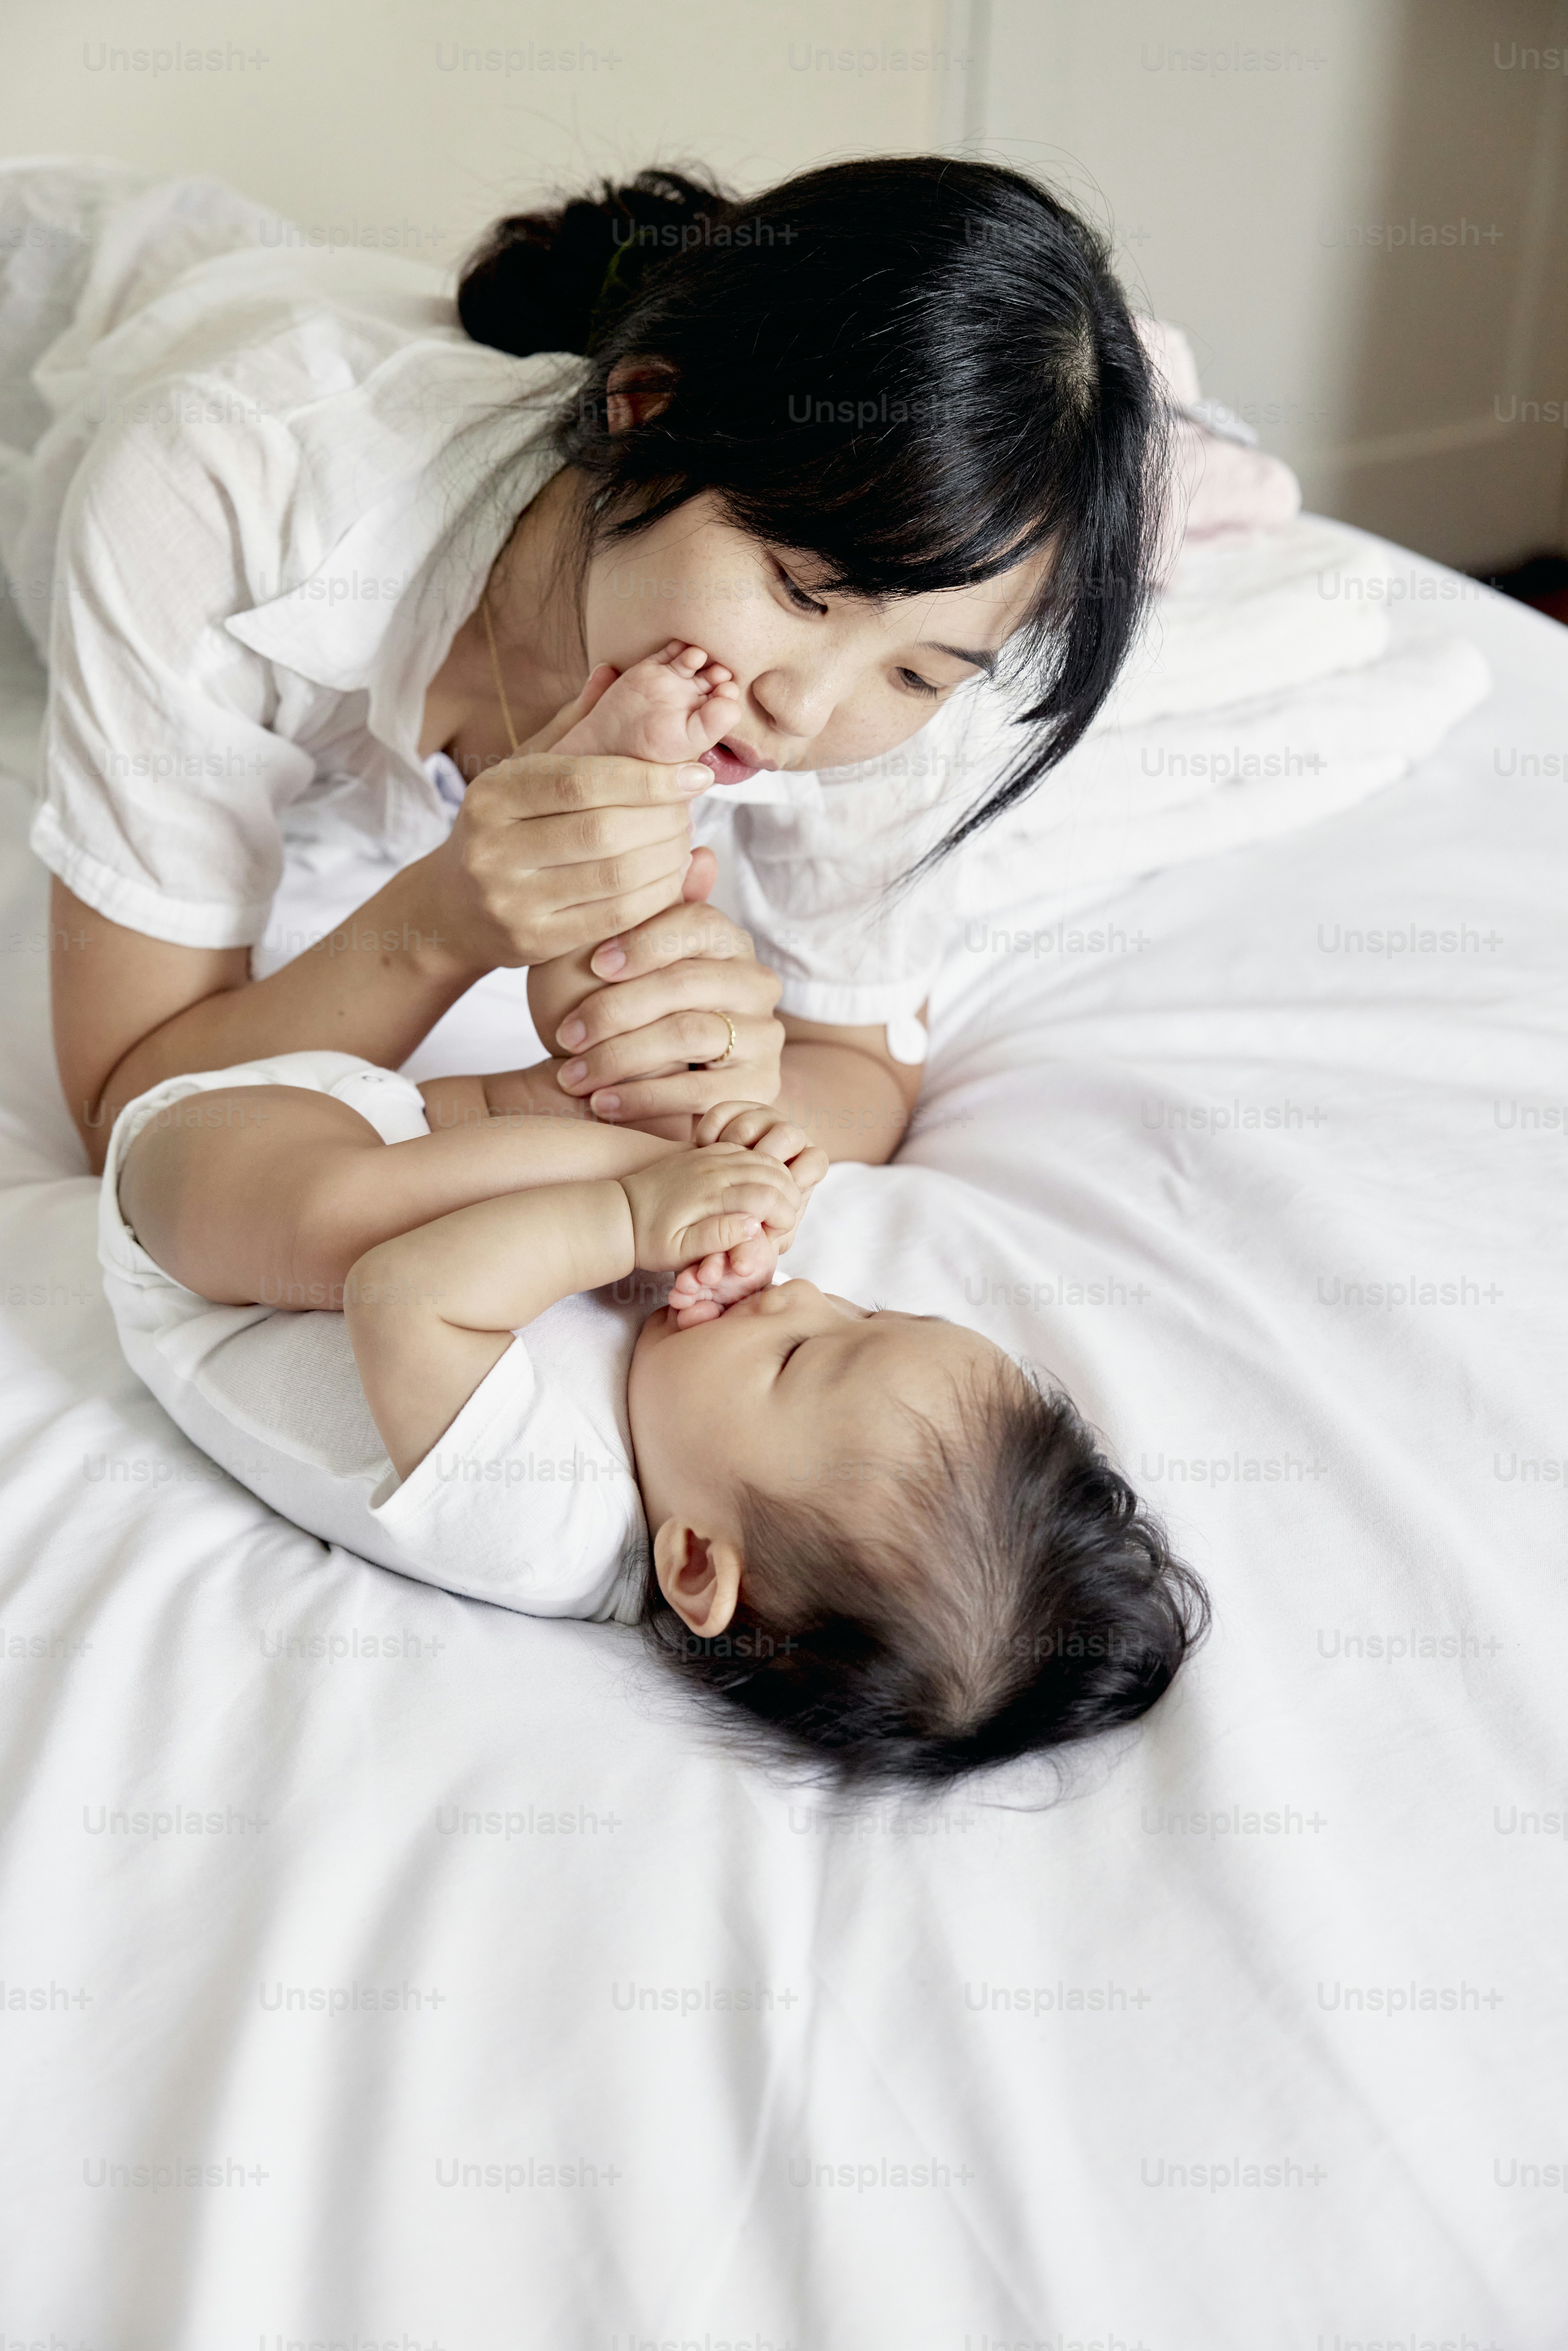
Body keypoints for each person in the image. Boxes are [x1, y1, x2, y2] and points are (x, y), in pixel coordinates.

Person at [98, 634, 1207, 1786]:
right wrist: (726, 1160)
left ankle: (593, 835)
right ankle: (615, 801)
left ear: (693, 1564)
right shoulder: (690, 1425)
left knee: (371, 1222)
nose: (808, 1295)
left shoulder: (548, 1528)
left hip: (204, 1220)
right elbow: (578, 1246)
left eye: (796, 1358)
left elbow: (409, 1288)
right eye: (860, 1314)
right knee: (675, 1095)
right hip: (403, 1134)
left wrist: (635, 1220)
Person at [0, 154, 1166, 1172]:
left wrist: (723, 1107)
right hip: (59, 316)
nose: (804, 711)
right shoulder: (220, 490)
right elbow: (130, 1107)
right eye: (799, 592)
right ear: (643, 411)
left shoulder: (932, 601)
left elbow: (854, 1067)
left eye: (918, 676)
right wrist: (441, 926)